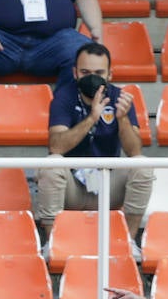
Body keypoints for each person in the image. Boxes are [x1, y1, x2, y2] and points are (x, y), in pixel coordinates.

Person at [33, 43, 154, 244]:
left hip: (108, 185)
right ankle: (53, 243)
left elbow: (134, 150)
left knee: (142, 165)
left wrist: (122, 118)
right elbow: (56, 146)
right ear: (75, 73)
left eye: (99, 72)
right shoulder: (64, 96)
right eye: (85, 72)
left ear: (110, 74)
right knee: (51, 164)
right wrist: (91, 118)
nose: (92, 77)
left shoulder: (119, 97)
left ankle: (128, 241)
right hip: (72, 187)